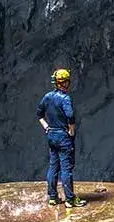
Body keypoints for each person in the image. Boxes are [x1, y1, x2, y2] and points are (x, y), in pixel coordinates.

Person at [36, 68, 87, 207]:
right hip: (63, 135)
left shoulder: (47, 97)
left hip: (51, 134)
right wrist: (71, 129)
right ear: (64, 83)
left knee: (53, 166)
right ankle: (70, 199)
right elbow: (70, 115)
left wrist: (46, 127)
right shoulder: (65, 98)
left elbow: (39, 113)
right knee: (66, 168)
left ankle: (53, 197)